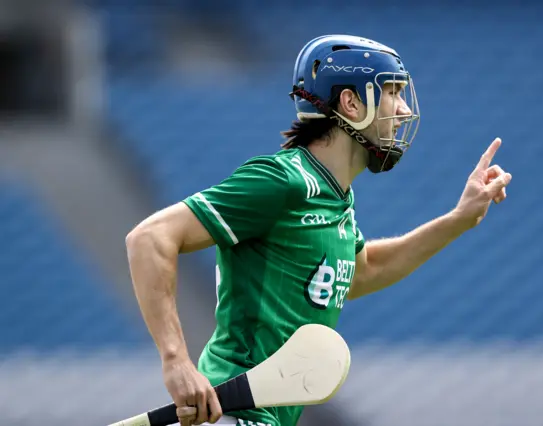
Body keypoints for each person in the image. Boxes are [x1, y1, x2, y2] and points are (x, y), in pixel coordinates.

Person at [125, 34, 512, 426]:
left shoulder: (335, 196)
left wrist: (458, 220)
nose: (403, 108)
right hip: (234, 413)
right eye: (392, 92)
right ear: (350, 103)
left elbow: (365, 270)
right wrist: (176, 362)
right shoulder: (283, 180)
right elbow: (150, 238)